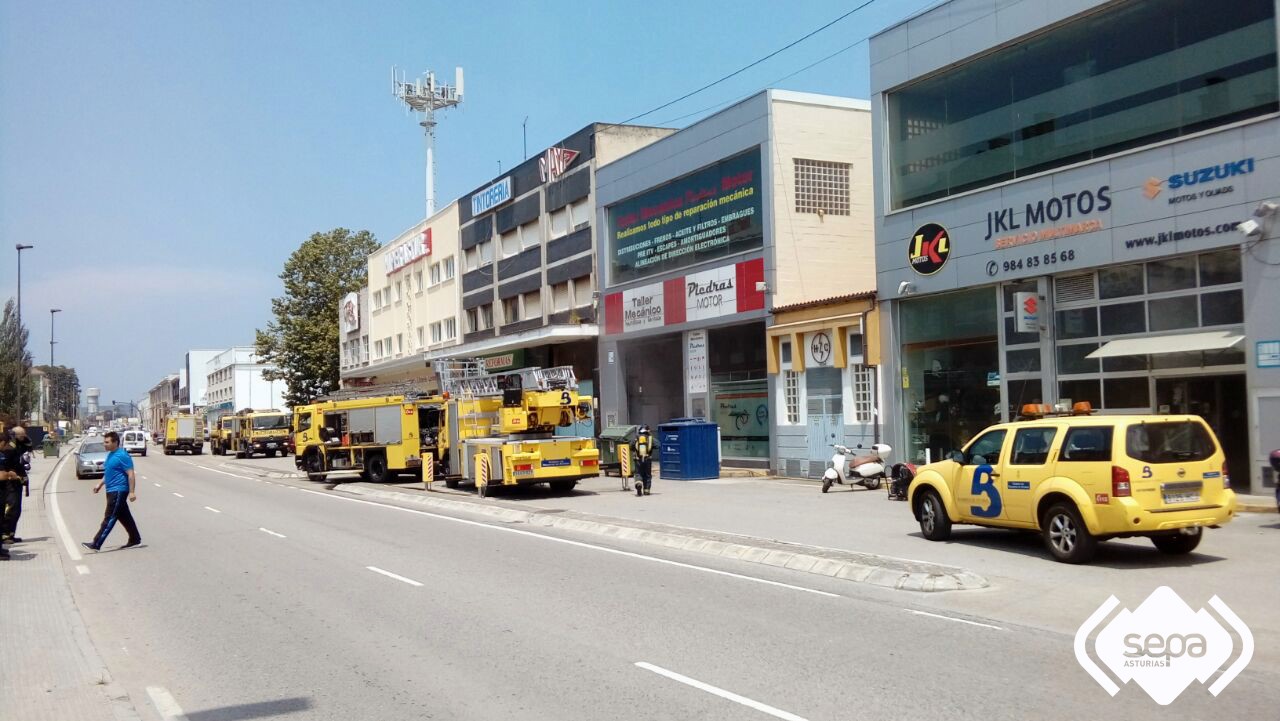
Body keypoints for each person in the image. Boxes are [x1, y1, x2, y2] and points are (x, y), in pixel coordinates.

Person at [82, 431, 141, 552]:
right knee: (124, 516)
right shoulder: (110, 455)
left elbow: (130, 474)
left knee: (109, 517)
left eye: (107, 442)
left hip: (118, 490)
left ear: (115, 442)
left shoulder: (122, 455)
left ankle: (96, 543)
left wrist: (132, 492)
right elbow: (108, 472)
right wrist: (100, 484)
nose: (104, 444)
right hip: (111, 489)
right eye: (104, 442)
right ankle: (135, 539)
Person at [1, 425, 33, 547]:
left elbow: (30, 445)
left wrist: (23, 437)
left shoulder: (19, 444)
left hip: (17, 480)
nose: (23, 436)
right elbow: (5, 464)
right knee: (11, 507)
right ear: (14, 435)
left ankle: (11, 534)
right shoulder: (9, 447)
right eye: (21, 435)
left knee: (17, 510)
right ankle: (5, 535)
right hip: (9, 481)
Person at [633, 424, 653, 497]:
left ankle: (638, 484)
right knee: (647, 475)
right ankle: (646, 491)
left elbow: (631, 445)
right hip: (648, 459)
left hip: (638, 460)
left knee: (638, 473)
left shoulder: (636, 437)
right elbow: (658, 445)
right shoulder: (650, 438)